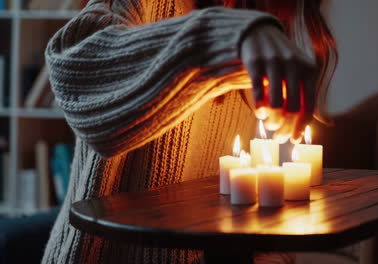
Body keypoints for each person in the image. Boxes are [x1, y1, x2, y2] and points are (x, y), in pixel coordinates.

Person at [42, 0, 338, 263]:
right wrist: (222, 38)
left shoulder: (265, 21)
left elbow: (254, 210)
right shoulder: (145, 6)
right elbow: (75, 77)